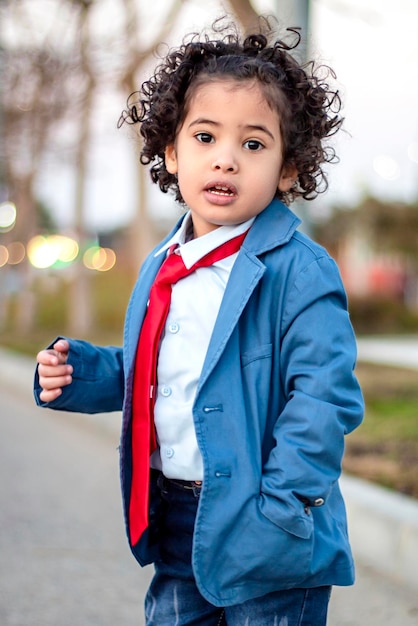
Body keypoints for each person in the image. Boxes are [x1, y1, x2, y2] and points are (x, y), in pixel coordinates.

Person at [35, 17, 364, 626]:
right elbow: (162, 374)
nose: (227, 161)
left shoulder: (299, 269)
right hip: (176, 519)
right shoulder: (165, 264)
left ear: (289, 169)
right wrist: (80, 375)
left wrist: (281, 506)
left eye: (254, 144)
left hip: (266, 530)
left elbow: (324, 396)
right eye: (206, 137)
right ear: (170, 151)